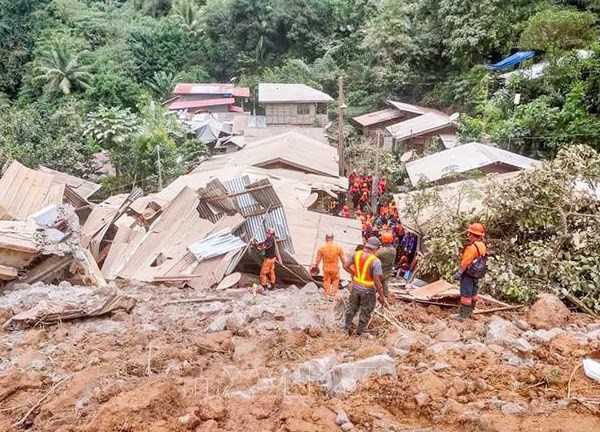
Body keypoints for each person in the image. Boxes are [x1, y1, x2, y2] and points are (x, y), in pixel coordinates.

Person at [343, 236, 388, 336]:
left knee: (351, 307)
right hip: (367, 290)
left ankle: (345, 328)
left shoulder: (356, 254)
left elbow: (345, 266)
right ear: (376, 248)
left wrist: (354, 273)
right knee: (366, 310)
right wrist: (381, 295)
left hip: (355, 286)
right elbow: (377, 281)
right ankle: (360, 332)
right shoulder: (376, 261)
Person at [453, 223, 487, 320]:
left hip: (468, 273)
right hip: (477, 273)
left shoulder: (472, 247)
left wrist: (459, 272)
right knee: (473, 293)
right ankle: (470, 312)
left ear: (472, 234)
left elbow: (466, 262)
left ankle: (463, 315)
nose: (468, 235)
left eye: (469, 233)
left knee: (466, 294)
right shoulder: (482, 245)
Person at [311, 233, 346, 301]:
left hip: (326, 268)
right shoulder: (338, 248)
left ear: (326, 238)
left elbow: (318, 260)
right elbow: (343, 260)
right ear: (333, 238)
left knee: (326, 280)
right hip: (335, 268)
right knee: (336, 279)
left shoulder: (322, 248)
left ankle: (327, 294)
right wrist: (345, 266)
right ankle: (333, 294)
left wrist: (315, 266)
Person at [377, 232, 397, 299]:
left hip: (379, 272)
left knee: (374, 286)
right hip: (388, 272)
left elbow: (373, 257)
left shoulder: (381, 251)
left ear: (383, 240)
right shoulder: (393, 250)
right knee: (385, 287)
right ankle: (386, 299)